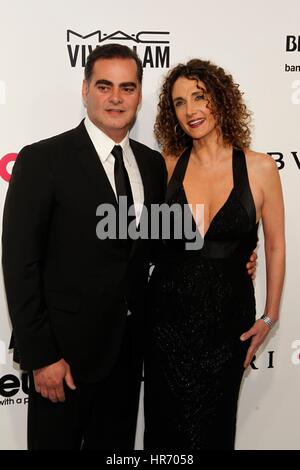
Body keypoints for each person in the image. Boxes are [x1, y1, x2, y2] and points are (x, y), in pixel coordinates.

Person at [1, 44, 167, 450]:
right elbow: (20, 264)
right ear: (85, 89)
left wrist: (234, 259)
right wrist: (41, 356)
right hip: (63, 361)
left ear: (139, 94)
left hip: (128, 358)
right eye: (104, 86)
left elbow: (162, 244)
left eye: (127, 87)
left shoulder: (151, 164)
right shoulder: (43, 159)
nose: (116, 98)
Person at [144, 58, 285, 450]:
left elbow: (274, 243)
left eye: (199, 97)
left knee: (214, 430)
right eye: (179, 102)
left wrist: (270, 315)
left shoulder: (259, 168)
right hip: (166, 322)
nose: (191, 110)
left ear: (219, 100)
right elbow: (147, 239)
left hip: (227, 325)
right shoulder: (166, 165)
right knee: (164, 431)